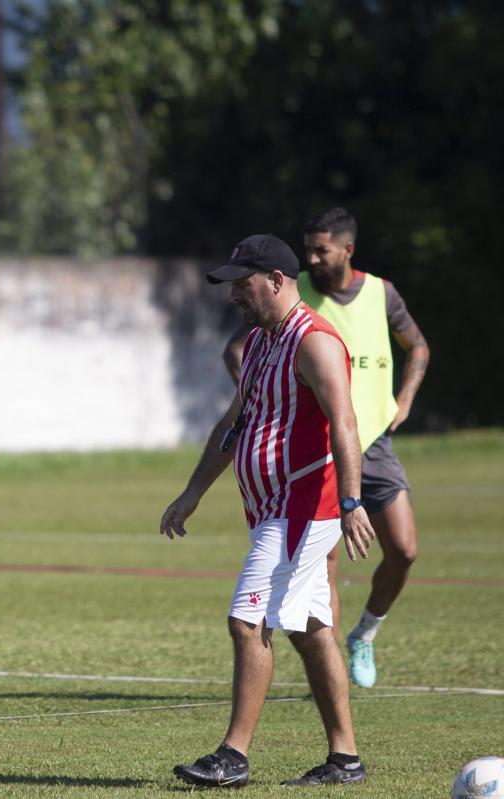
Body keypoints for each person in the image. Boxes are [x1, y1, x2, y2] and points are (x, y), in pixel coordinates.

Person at [161, 234, 376, 787]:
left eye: (242, 282)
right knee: (308, 628)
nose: (234, 294)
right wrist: (193, 492)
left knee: (246, 619)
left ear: (276, 281)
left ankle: (233, 755)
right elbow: (233, 426)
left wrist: (352, 501)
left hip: (302, 509)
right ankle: (345, 759)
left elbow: (344, 424)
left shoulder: (315, 341)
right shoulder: (260, 342)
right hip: (270, 510)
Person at [223, 208, 429, 688]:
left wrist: (405, 399)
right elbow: (241, 350)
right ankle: (332, 689)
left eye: (322, 249)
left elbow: (417, 347)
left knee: (403, 550)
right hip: (315, 449)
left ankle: (365, 634)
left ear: (348, 249)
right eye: (308, 248)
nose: (313, 257)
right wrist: (263, 402)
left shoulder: (381, 292)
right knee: (323, 568)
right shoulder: (293, 295)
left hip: (370, 440)